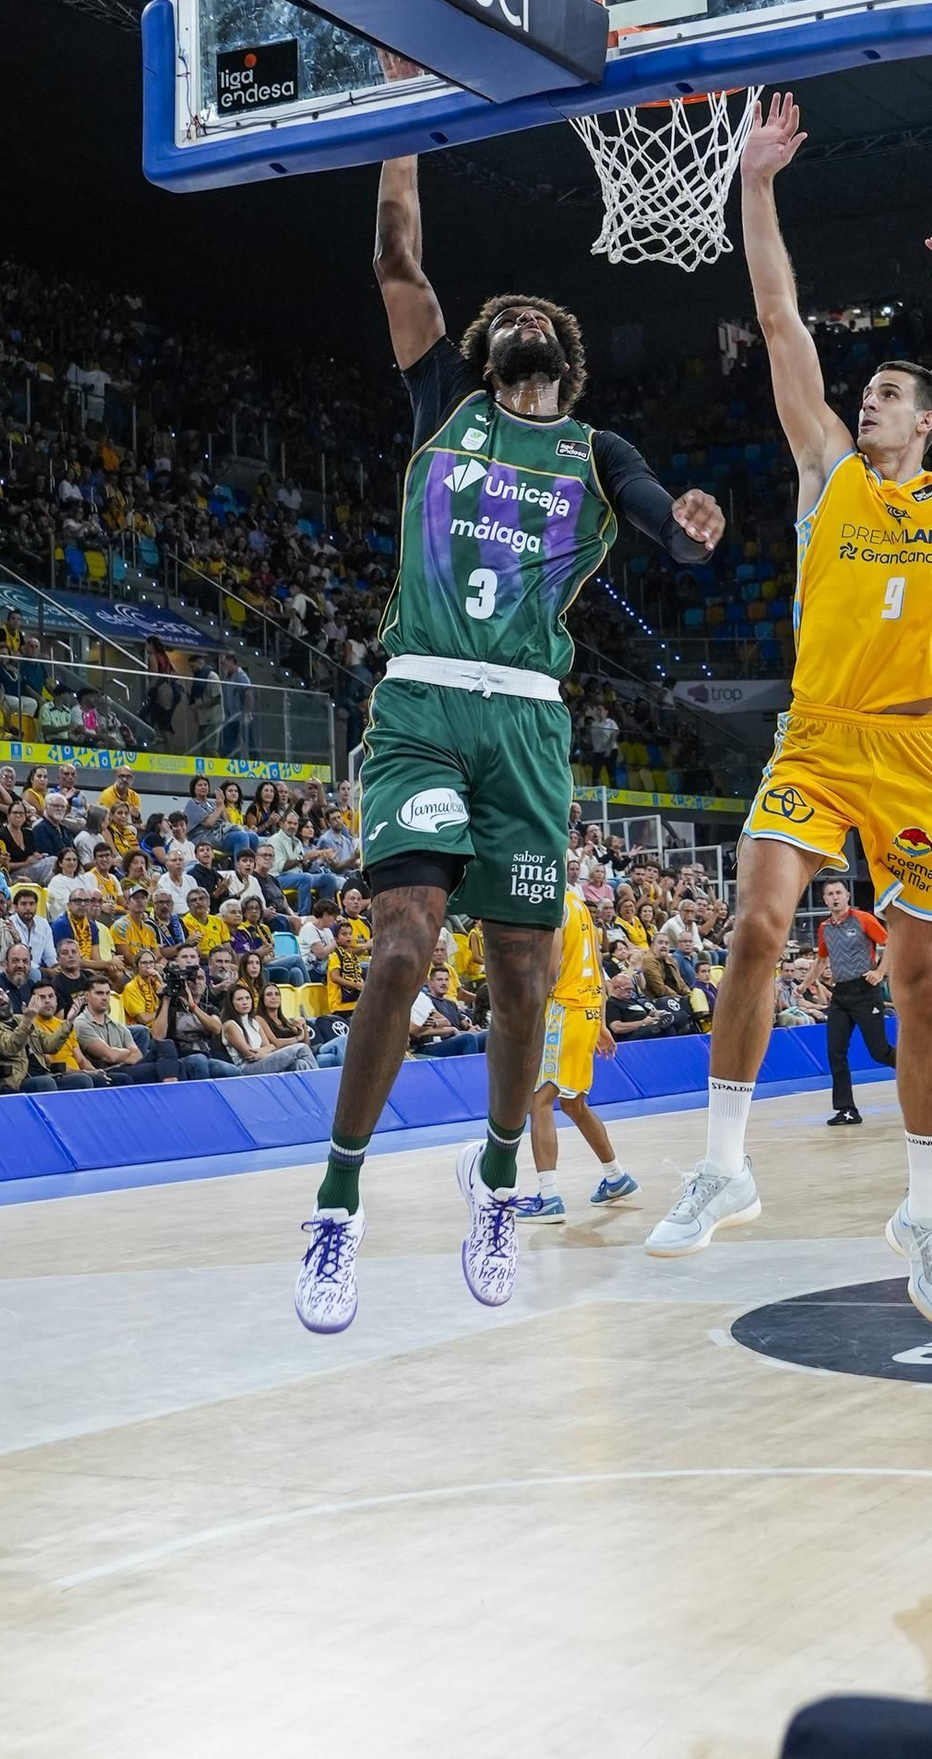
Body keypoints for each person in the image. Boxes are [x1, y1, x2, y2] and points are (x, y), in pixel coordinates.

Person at [645, 95, 932, 1328]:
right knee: (754, 925)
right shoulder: (824, 467)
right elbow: (779, 316)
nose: (871, 401)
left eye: (890, 392)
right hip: (815, 733)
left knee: (922, 980)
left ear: (927, 421)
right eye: (871, 391)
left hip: (910, 749)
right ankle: (723, 1163)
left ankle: (926, 1214)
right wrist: (755, 185)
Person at [294, 155, 724, 1334]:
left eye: (542, 312)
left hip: (527, 718)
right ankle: (337, 1200)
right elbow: (396, 257)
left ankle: (495, 1179)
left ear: (564, 358)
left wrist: (691, 525)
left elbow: (666, 526)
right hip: (423, 706)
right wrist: (404, 129)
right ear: (485, 352)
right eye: (508, 312)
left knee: (522, 973)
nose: (524, 312)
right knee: (402, 945)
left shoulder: (596, 451)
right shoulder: (445, 400)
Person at [516, 886, 637, 1221]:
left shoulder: (554, 904)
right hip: (587, 1010)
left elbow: (551, 967)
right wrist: (600, 1023)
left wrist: (530, 1004)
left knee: (539, 1101)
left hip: (564, 1009)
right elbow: (596, 967)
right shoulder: (580, 905)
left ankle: (549, 1197)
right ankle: (616, 1177)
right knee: (573, 1104)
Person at [808, 877, 894, 1127]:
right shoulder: (825, 928)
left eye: (839, 892)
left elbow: (891, 943)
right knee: (835, 1051)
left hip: (865, 990)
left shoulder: (863, 919)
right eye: (830, 894)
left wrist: (880, 972)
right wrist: (805, 984)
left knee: (879, 1051)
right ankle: (847, 1109)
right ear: (824, 900)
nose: (835, 897)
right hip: (841, 994)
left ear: (847, 896)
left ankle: (916, 1075)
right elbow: (821, 961)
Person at [220, 980, 316, 1073]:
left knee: (300, 1064)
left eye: (247, 998)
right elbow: (250, 1055)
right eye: (239, 999)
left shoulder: (254, 1022)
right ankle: (320, 1080)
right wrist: (265, 1051)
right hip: (247, 1068)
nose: (245, 1002)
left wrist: (261, 1052)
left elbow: (271, 1046)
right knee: (301, 1048)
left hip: (264, 1060)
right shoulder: (230, 1025)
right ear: (231, 1003)